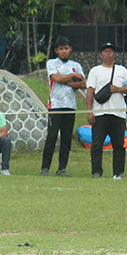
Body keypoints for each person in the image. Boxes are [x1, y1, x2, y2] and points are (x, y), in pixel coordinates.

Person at [86, 42, 127, 180]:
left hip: (118, 113)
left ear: (114, 54)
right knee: (97, 144)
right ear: (101, 55)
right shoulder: (95, 71)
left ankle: (119, 172)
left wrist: (118, 89)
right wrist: (89, 111)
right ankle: (96, 171)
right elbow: (90, 91)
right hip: (100, 113)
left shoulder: (122, 70)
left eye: (111, 51)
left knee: (119, 144)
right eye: (105, 51)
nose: (108, 54)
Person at [41, 36, 85, 177]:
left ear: (70, 49)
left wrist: (66, 81)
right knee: (52, 137)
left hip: (70, 106)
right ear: (56, 51)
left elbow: (82, 83)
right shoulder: (52, 63)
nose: (64, 52)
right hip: (55, 105)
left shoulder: (76, 65)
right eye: (61, 49)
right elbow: (56, 78)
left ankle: (62, 169)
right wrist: (72, 77)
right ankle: (45, 168)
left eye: (66, 48)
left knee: (66, 138)